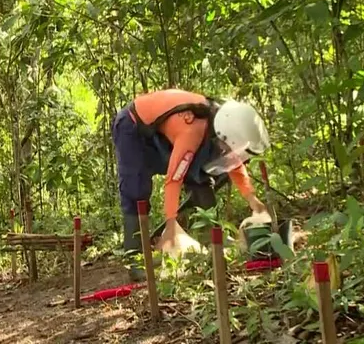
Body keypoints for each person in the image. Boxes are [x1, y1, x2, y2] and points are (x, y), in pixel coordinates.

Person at [111, 89, 271, 281]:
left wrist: (252, 198)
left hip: (160, 133)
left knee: (200, 177)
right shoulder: (193, 130)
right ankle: (135, 259)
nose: (226, 151)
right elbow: (174, 179)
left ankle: (211, 240)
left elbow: (234, 162)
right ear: (225, 136)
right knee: (136, 189)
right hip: (133, 127)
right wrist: (171, 224)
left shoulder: (220, 125)